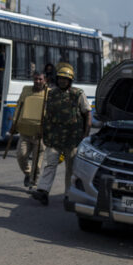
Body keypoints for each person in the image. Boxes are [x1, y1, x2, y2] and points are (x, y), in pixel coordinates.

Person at [32, 63, 91, 205]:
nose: (62, 81)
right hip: (54, 137)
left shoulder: (78, 94)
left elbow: (87, 113)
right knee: (50, 164)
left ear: (70, 80)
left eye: (65, 79)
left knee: (70, 168)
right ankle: (43, 191)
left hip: (72, 139)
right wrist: (43, 131)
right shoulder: (52, 94)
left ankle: (68, 194)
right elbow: (46, 115)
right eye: (60, 78)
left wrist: (85, 134)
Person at [10, 72, 48, 189]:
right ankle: (28, 173)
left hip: (39, 135)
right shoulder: (26, 90)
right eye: (36, 79)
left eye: (40, 79)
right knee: (21, 156)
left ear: (44, 80)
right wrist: (14, 124)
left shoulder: (49, 93)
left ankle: (33, 184)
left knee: (37, 163)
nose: (37, 81)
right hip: (25, 132)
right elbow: (18, 106)